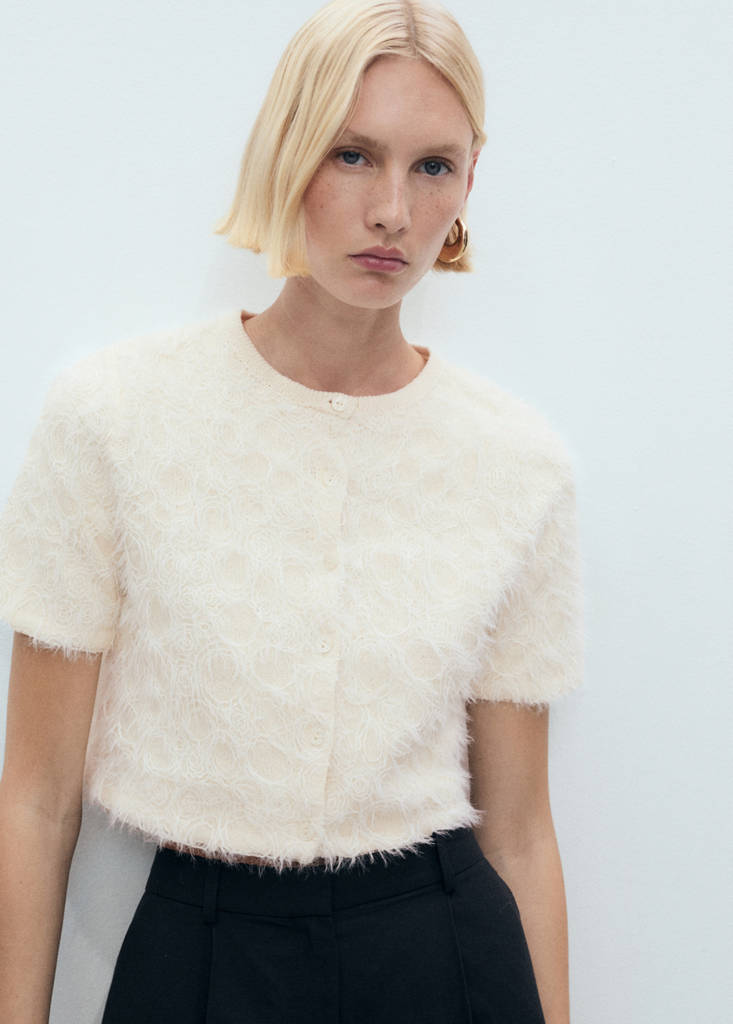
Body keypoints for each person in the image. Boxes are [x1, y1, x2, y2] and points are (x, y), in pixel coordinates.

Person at [0, 0, 585, 1021]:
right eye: (352, 155)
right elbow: (38, 799)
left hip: (443, 954)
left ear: (469, 182)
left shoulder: (515, 462)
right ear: (284, 152)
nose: (393, 211)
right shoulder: (115, 419)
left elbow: (522, 834)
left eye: (433, 166)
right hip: (200, 951)